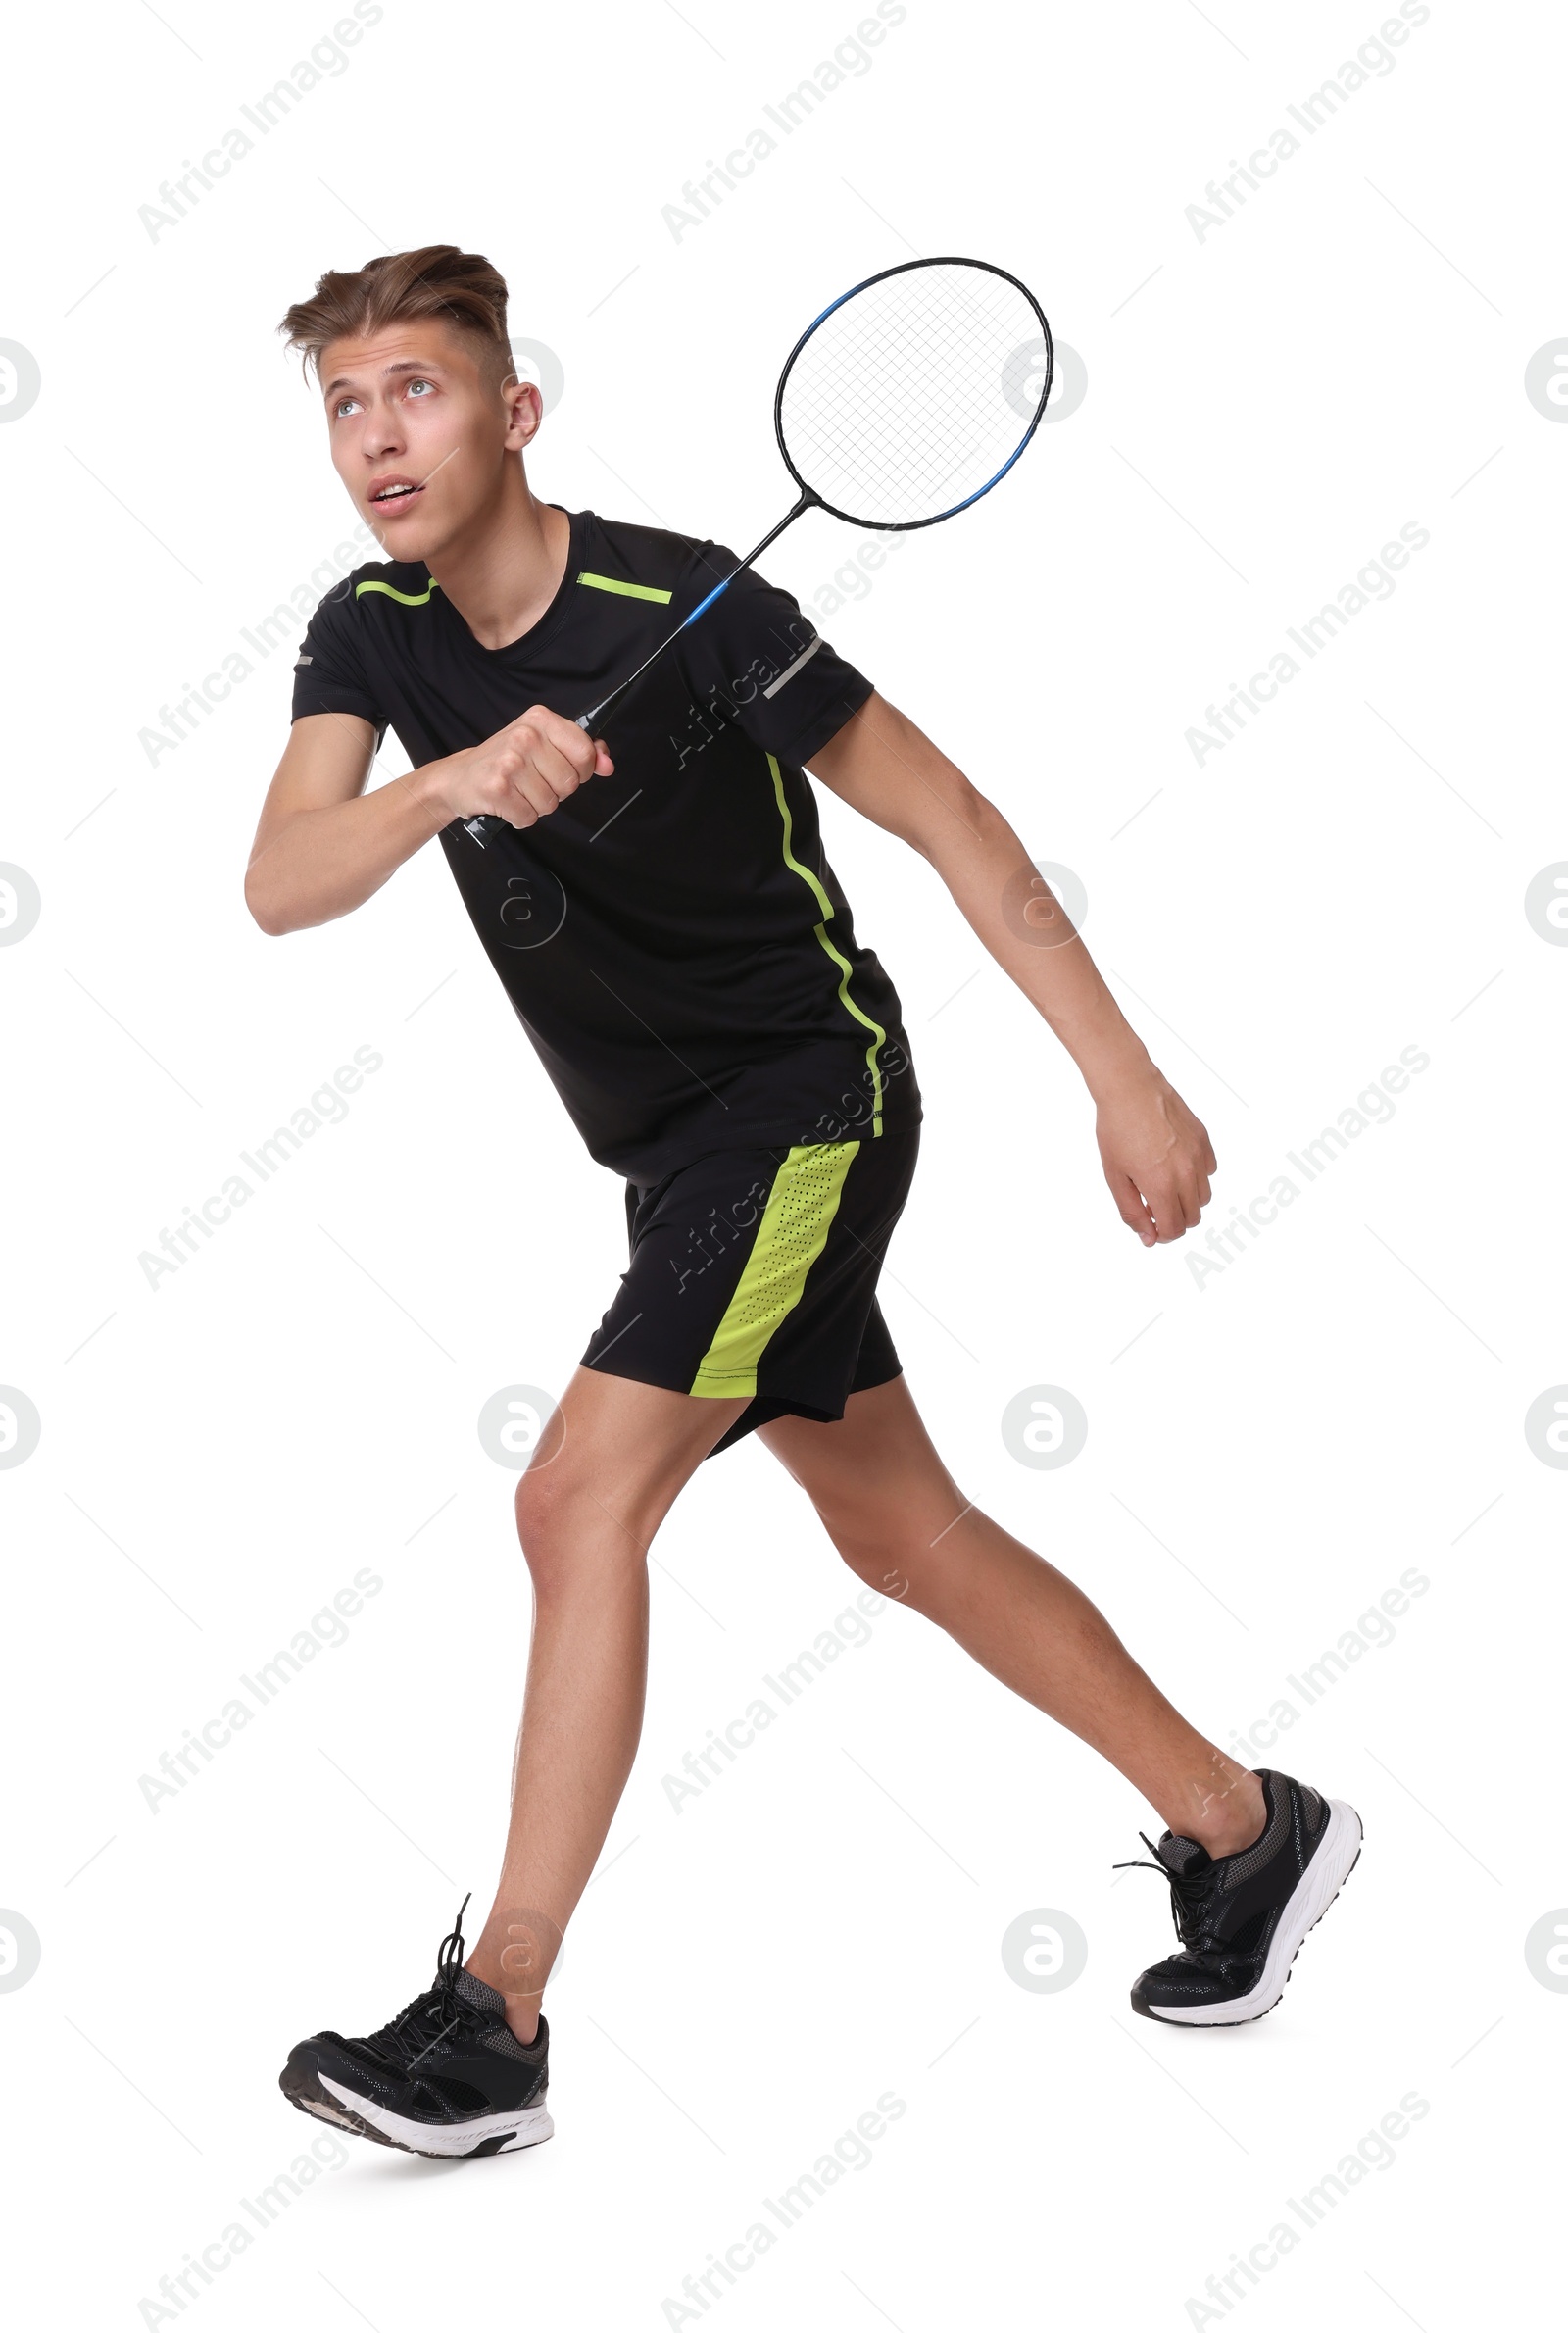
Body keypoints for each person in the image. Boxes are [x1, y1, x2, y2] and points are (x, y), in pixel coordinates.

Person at [252, 245, 1360, 2161]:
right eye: (345, 403)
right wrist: (456, 783)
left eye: (415, 390)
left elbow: (950, 817)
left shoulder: (689, 601)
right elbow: (281, 876)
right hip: (675, 1159)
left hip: (807, 1106)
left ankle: (493, 2007)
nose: (376, 437)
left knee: (575, 1489)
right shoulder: (373, 634)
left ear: (514, 412)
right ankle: (1246, 1828)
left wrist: (1120, 1071)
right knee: (905, 1533)